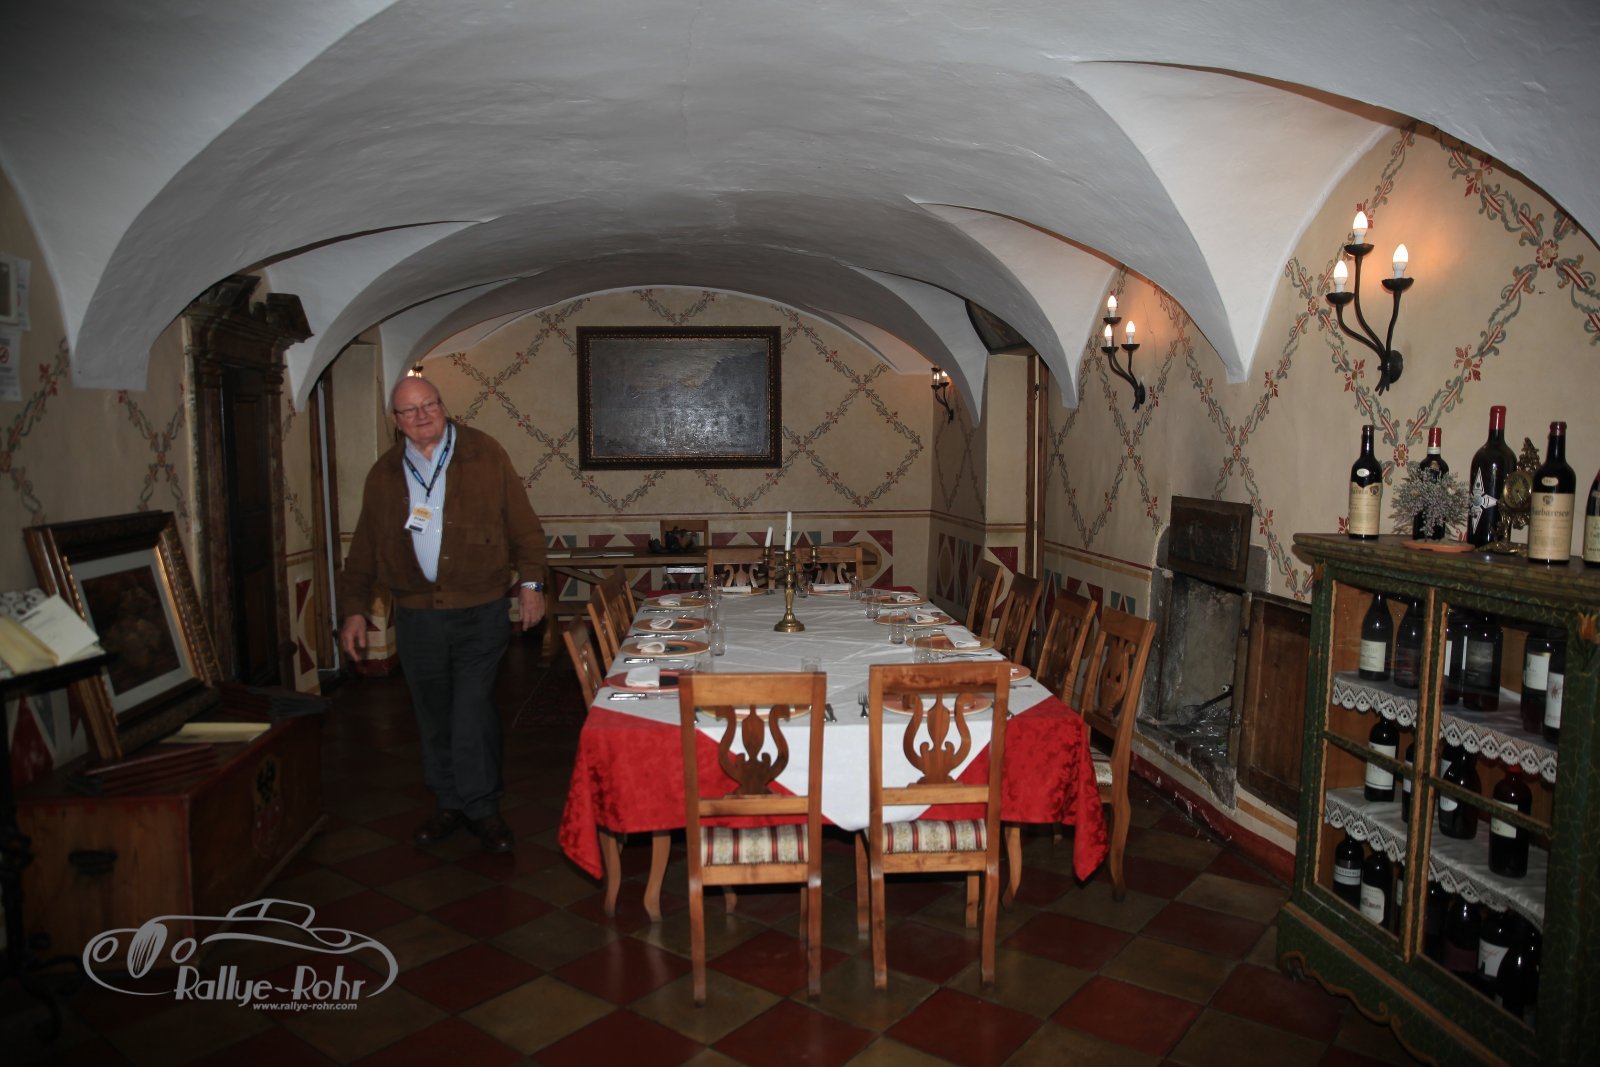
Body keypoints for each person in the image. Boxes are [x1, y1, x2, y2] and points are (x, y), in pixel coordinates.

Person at [336, 376, 547, 853]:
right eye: (410, 411)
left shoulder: (485, 453)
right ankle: (449, 801)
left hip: (481, 610)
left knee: (471, 709)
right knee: (432, 712)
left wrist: (532, 586)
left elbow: (525, 529)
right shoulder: (384, 474)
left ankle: (483, 808)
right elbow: (364, 549)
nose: (422, 416)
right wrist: (353, 611)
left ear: (442, 405)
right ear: (396, 421)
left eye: (429, 404)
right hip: (417, 616)